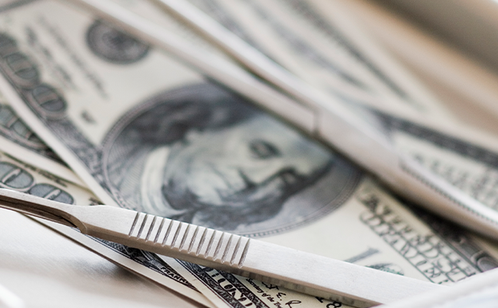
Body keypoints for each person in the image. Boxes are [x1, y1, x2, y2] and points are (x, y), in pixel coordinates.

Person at [104, 83, 357, 233]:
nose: (258, 179)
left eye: (287, 179)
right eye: (260, 151)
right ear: (205, 127)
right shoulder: (118, 163)